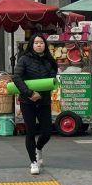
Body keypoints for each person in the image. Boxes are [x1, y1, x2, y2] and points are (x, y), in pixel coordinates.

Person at [13, 34, 58, 175]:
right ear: (31, 45)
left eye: (41, 42)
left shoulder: (49, 61)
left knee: (47, 132)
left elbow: (52, 78)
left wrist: (43, 91)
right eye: (36, 42)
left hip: (44, 100)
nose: (39, 45)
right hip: (28, 101)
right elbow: (17, 77)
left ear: (45, 45)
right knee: (31, 131)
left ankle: (38, 148)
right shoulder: (24, 59)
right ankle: (33, 162)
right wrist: (30, 93)